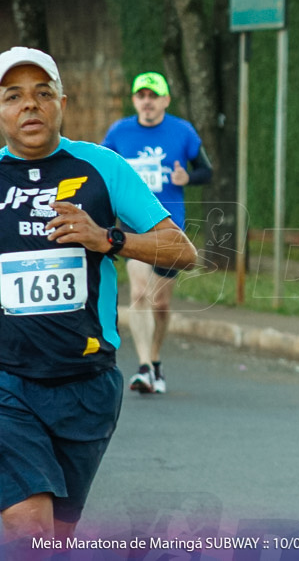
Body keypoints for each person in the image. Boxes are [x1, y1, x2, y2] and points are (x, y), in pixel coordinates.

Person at [0, 48, 198, 548]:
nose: (30, 106)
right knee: (29, 525)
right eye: (14, 96)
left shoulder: (102, 167)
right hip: (6, 380)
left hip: (86, 384)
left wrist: (108, 239)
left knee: (54, 539)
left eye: (43, 94)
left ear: (63, 103)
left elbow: (183, 251)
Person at [102, 71, 212, 394]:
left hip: (169, 228)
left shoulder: (182, 131)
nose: (147, 102)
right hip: (132, 227)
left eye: (153, 96)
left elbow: (206, 170)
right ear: (135, 101)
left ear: (165, 100)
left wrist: (186, 179)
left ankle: (155, 358)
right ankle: (144, 368)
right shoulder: (119, 133)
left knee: (160, 303)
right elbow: (102, 170)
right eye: (141, 96)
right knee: (138, 294)